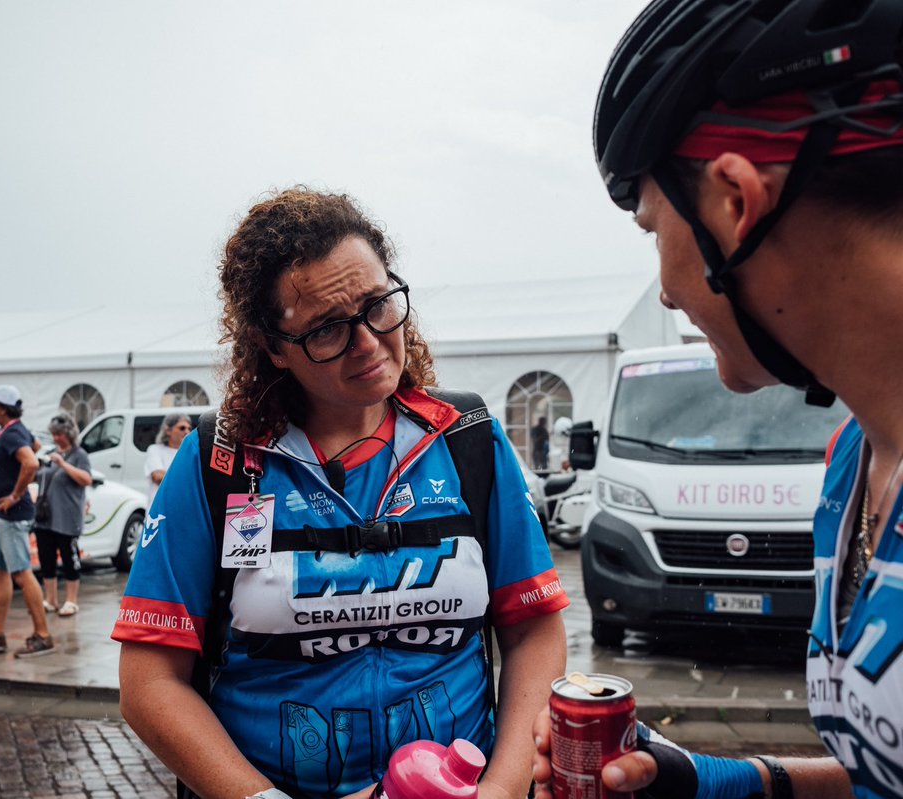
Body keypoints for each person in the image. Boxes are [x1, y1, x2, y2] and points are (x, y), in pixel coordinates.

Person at [531, 2, 903, 798]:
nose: (666, 295)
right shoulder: (854, 456)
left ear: (735, 202)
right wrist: (726, 779)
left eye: (652, 230)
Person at [113, 188, 568, 799]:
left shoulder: (466, 439)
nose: (368, 343)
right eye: (327, 330)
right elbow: (149, 682)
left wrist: (505, 787)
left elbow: (533, 628)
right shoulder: (220, 461)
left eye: (378, 305)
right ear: (273, 347)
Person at [0, 385, 55, 657]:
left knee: (21, 572)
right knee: (0, 572)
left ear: (3, 408)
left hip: (12, 516)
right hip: (4, 517)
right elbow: (36, 446)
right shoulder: (14, 431)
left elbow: (30, 462)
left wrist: (15, 495)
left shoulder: (13, 433)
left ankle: (43, 634)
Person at [34, 413, 92, 616]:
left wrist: (63, 464)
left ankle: (71, 600)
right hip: (45, 517)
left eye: (59, 434)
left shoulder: (79, 455)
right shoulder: (50, 453)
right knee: (46, 558)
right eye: (54, 434)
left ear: (69, 433)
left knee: (69, 558)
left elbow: (86, 479)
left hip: (67, 517)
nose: (56, 438)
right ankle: (50, 599)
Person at [143, 413, 191, 504]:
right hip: (159, 510)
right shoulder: (155, 449)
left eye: (189, 428)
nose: (187, 431)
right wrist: (188, 479)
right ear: (168, 430)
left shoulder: (190, 453)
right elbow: (158, 476)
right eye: (182, 428)